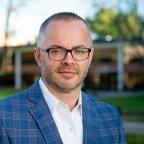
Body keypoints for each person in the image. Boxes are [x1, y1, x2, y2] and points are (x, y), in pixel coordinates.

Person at [0, 12, 126, 144]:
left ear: (90, 57)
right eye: (56, 50)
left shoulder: (111, 117)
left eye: (79, 50)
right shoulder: (3, 116)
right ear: (38, 57)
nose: (69, 61)